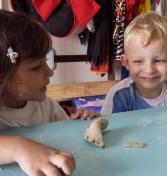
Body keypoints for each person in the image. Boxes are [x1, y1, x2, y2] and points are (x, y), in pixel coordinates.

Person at [0, 10, 98, 176]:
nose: (50, 72)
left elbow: (70, 140)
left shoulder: (47, 107)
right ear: (3, 78)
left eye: (45, 62)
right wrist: (19, 148)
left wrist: (79, 122)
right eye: (37, 67)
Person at [101, 11, 167, 115]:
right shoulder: (119, 95)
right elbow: (104, 127)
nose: (149, 70)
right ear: (126, 62)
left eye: (158, 61)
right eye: (138, 61)